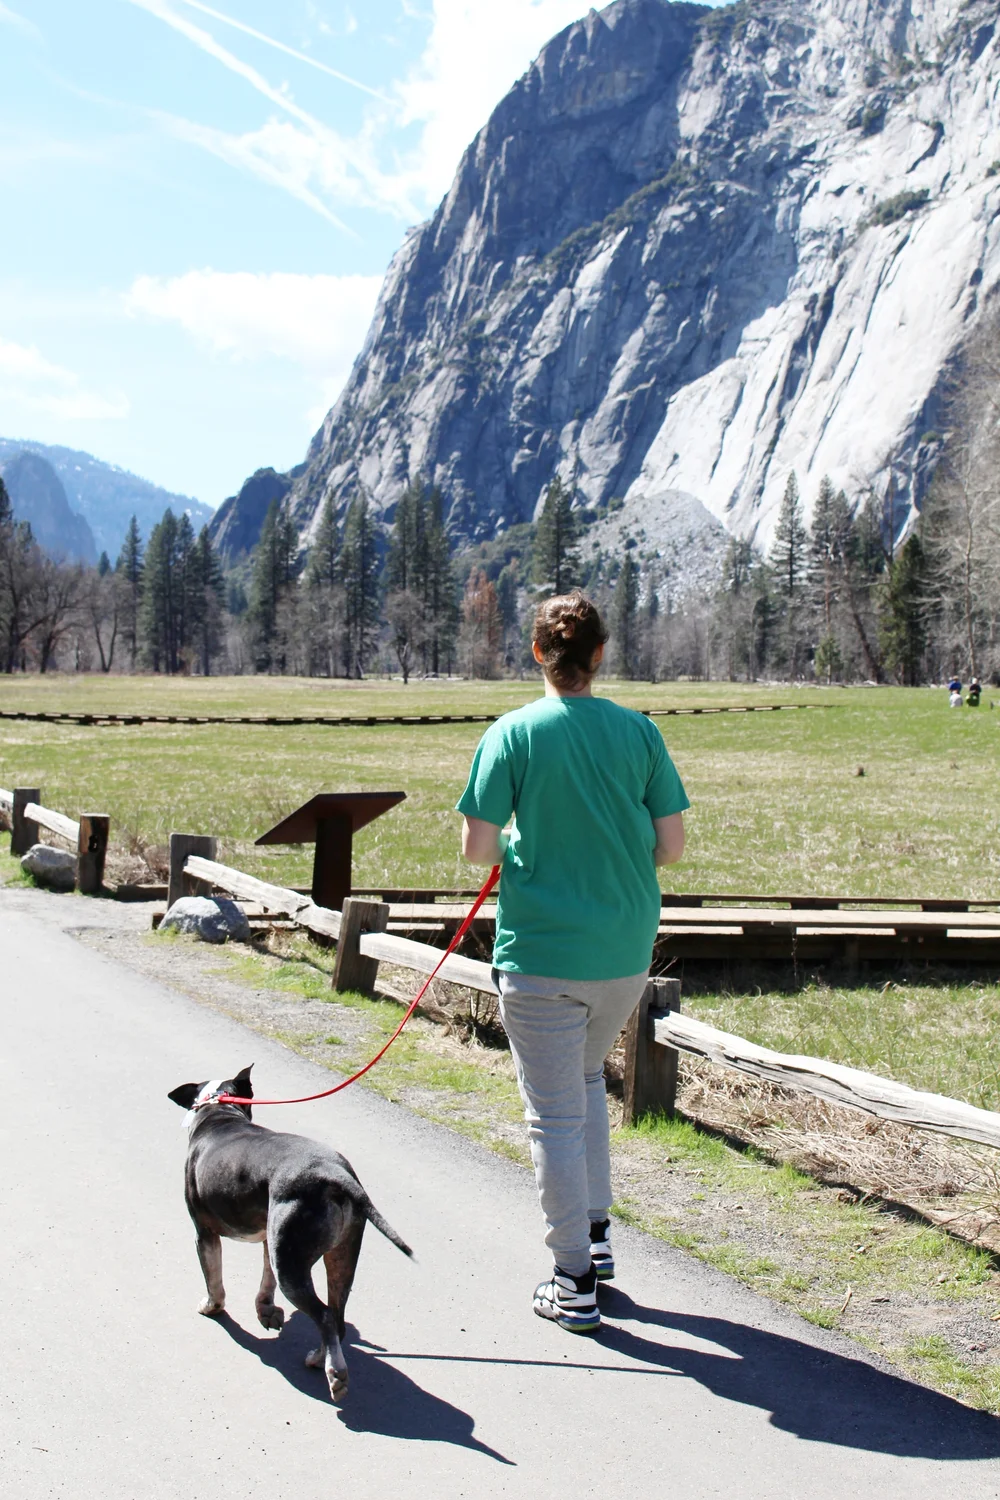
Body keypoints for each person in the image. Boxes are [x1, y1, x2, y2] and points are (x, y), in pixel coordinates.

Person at [456, 590, 688, 1334]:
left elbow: (478, 849)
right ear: (598, 656)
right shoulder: (640, 734)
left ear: (536, 654)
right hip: (623, 953)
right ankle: (596, 1237)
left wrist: (524, 847)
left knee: (553, 1115)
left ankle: (572, 1280)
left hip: (542, 955)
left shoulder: (512, 735)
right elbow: (671, 846)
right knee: (586, 1083)